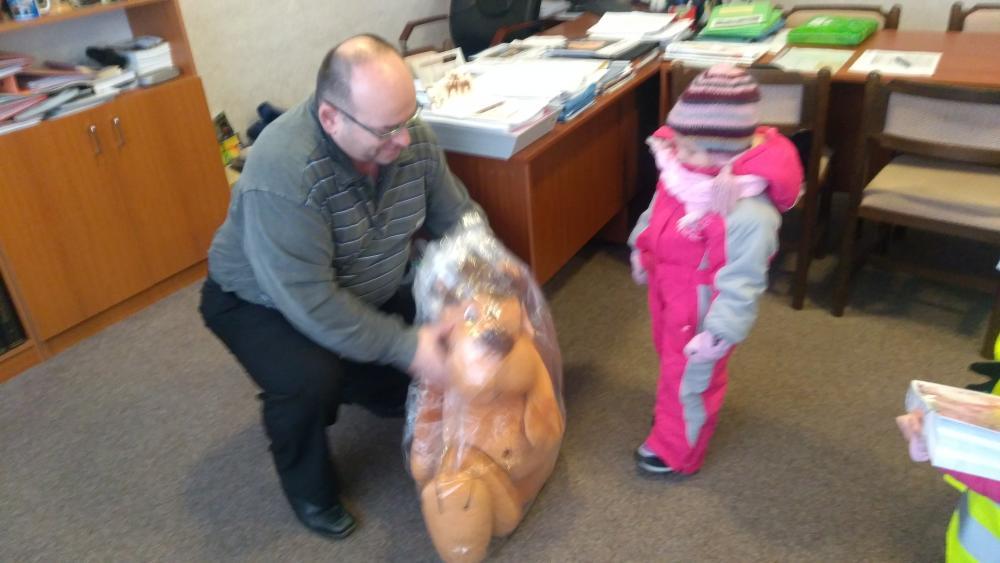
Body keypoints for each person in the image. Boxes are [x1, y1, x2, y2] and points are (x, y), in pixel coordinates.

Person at [199, 34, 482, 539]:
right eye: (387, 129)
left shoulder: (409, 138)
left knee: (419, 369)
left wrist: (488, 275)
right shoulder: (284, 173)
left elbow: (457, 218)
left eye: (409, 117)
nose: (404, 139)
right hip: (261, 302)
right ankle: (308, 488)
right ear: (331, 118)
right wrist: (406, 346)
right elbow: (311, 302)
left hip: (361, 285)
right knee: (310, 380)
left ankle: (358, 372)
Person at [628, 64, 802, 475]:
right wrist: (641, 245)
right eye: (678, 146)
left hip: (704, 313)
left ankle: (677, 451)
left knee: (693, 378)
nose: (676, 155)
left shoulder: (748, 213)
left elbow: (744, 282)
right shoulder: (685, 175)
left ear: (723, 153)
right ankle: (673, 416)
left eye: (688, 149)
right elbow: (657, 211)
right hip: (669, 290)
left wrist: (721, 332)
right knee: (673, 364)